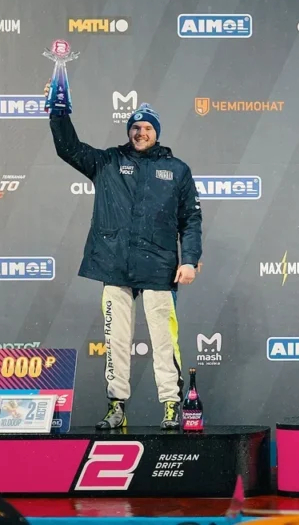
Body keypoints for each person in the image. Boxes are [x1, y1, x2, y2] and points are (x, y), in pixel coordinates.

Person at [47, 85, 202, 430]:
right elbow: (68, 147)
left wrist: (189, 259)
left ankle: (171, 405)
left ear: (156, 132)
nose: (140, 132)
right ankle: (116, 406)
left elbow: (191, 219)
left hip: (160, 267)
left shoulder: (177, 170)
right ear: (128, 130)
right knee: (115, 340)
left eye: (147, 127)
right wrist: (58, 111)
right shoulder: (107, 162)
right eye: (135, 127)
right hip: (114, 265)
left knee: (164, 340)